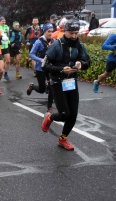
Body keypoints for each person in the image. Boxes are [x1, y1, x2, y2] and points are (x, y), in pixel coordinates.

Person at [42, 20, 90, 150]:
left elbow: (87, 61)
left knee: (73, 114)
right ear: (64, 31)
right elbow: (45, 65)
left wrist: (81, 64)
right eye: (71, 33)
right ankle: (50, 117)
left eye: (76, 33)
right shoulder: (56, 45)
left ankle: (63, 139)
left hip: (71, 82)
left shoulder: (79, 44)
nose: (74, 36)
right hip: (57, 82)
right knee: (64, 114)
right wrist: (62, 70)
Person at [27, 23, 54, 114]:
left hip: (50, 68)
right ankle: (32, 86)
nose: (50, 33)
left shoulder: (53, 41)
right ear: (44, 31)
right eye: (48, 31)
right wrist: (41, 60)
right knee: (42, 90)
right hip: (40, 68)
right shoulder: (39, 42)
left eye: (51, 31)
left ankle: (49, 107)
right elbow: (31, 54)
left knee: (52, 88)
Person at [0, 17, 11, 81]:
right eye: (2, 21)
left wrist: (8, 42)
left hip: (6, 46)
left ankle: (6, 74)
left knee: (8, 60)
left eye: (5, 21)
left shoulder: (7, 27)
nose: (4, 22)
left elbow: (8, 35)